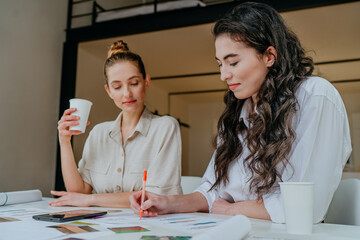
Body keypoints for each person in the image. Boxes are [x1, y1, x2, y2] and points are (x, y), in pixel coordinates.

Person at [129, 2, 352, 223]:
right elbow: (212, 192)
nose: (223, 75)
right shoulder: (238, 113)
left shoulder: (316, 96)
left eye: (233, 62)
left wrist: (231, 210)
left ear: (269, 56)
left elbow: (303, 205)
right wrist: (167, 203)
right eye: (220, 64)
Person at [49, 40, 182, 208]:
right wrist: (64, 141)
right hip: (103, 226)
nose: (127, 93)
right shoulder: (98, 133)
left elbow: (155, 198)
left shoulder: (165, 127)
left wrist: (91, 200)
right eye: (117, 86)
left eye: (134, 83)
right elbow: (79, 192)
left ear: (146, 82)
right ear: (109, 91)